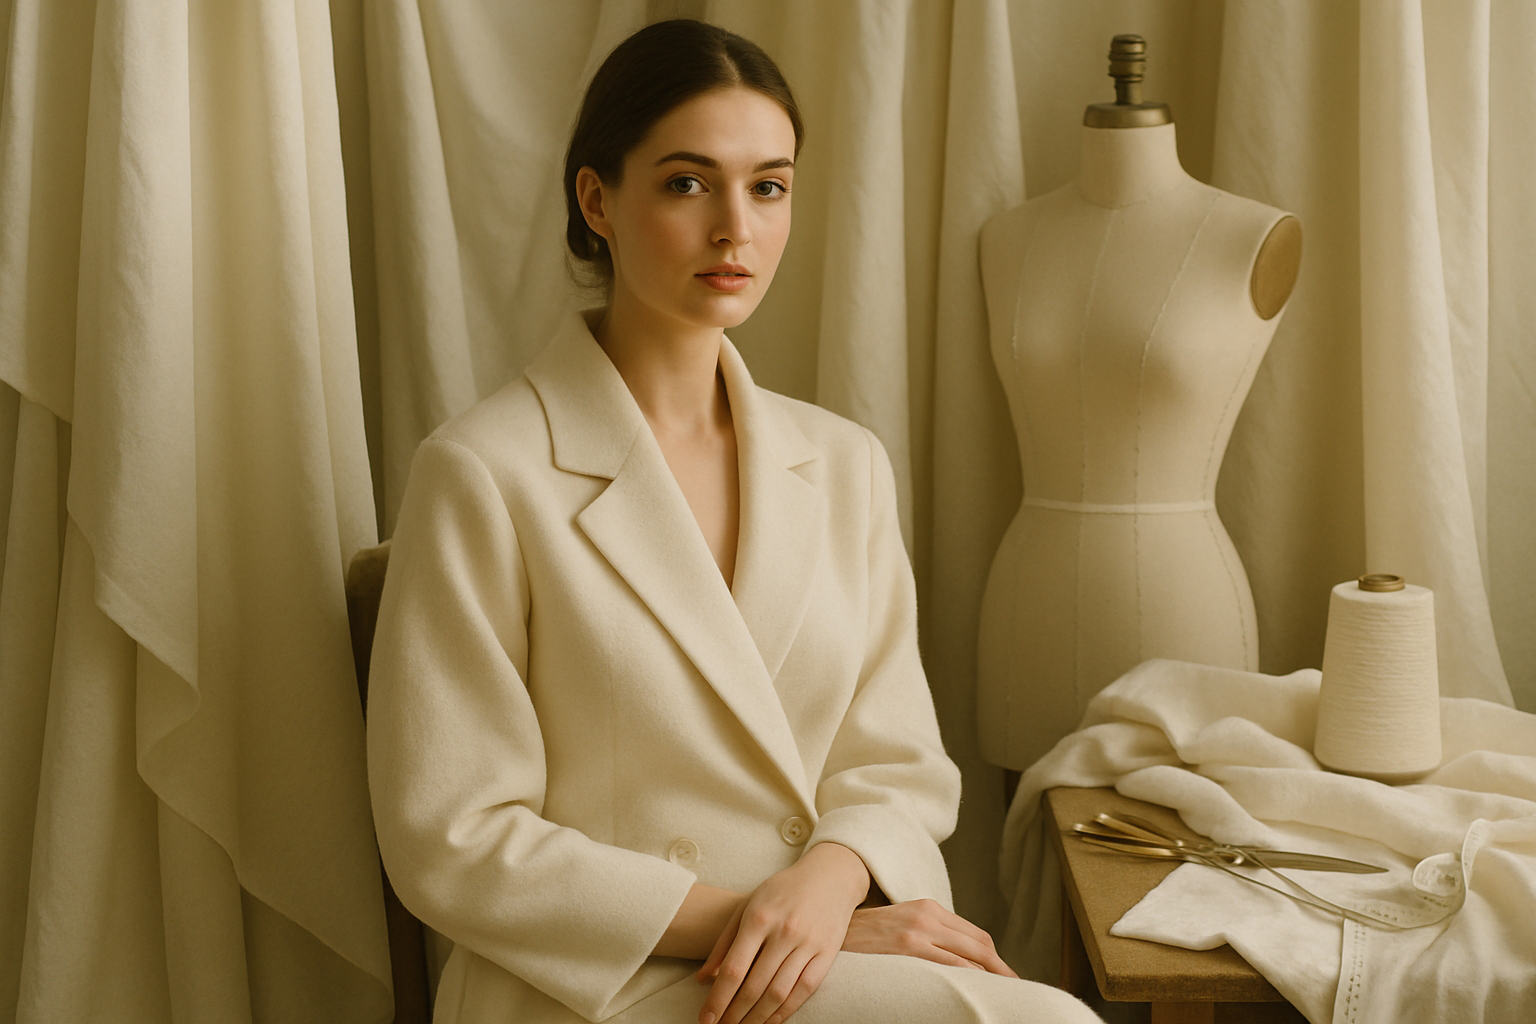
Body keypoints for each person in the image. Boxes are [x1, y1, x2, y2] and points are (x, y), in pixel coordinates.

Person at [366, 19, 1101, 1024]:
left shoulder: (843, 465)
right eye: (685, 182)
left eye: (768, 185)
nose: (735, 229)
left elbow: (898, 763)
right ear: (598, 200)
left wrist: (832, 882)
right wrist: (761, 920)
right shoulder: (484, 473)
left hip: (810, 955)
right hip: (587, 984)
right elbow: (453, 835)